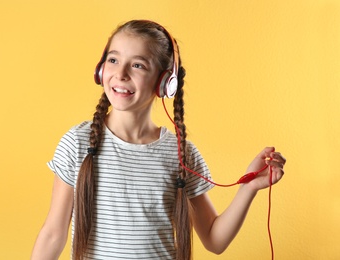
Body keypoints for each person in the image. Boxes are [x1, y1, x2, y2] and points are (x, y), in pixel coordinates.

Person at [31, 20, 286, 260]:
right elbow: (53, 234)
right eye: (113, 59)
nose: (120, 73)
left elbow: (214, 240)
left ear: (165, 82)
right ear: (101, 69)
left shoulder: (181, 154)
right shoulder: (77, 143)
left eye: (138, 65)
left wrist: (249, 187)